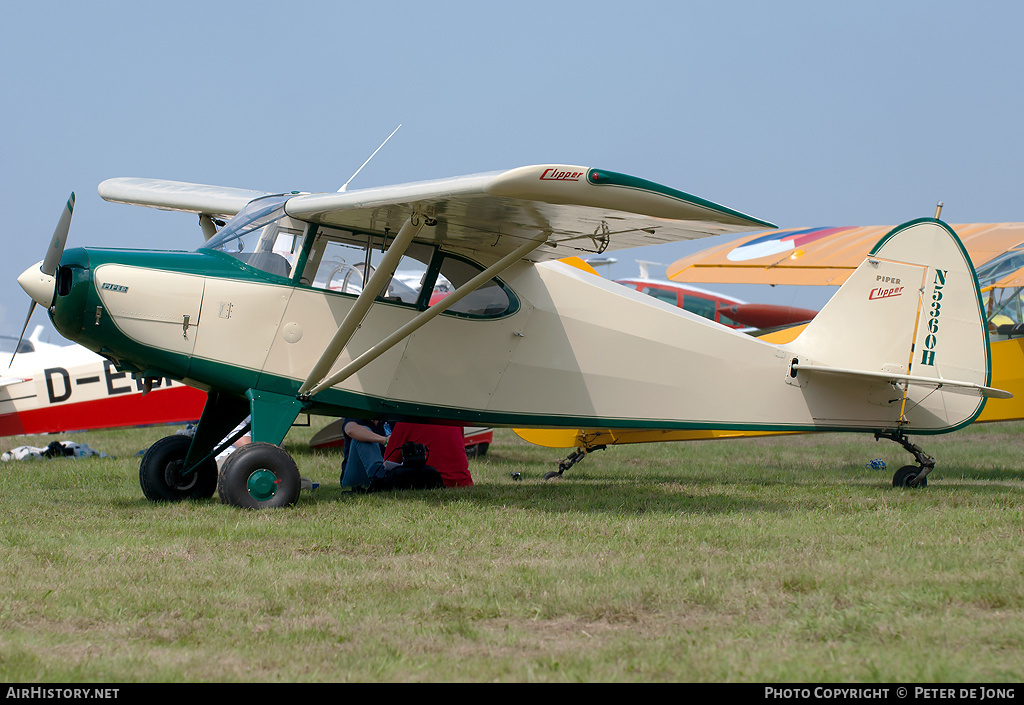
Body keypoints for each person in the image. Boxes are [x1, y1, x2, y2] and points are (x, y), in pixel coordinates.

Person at [383, 422, 473, 488]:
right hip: (463, 482)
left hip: (429, 483)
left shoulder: (405, 421)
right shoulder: (455, 420)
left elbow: (388, 463)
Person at [340, 417, 392, 489]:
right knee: (363, 433)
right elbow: (350, 430)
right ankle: (378, 474)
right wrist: (384, 440)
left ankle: (382, 476)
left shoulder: (391, 417)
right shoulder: (358, 413)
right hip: (357, 476)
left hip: (387, 468)